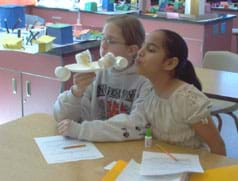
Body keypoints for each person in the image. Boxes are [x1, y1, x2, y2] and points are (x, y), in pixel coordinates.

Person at [57, 29, 226, 155]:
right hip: (163, 163)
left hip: (192, 167)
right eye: (143, 46)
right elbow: (131, 124)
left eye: (151, 50)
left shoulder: (187, 99)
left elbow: (218, 147)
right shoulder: (149, 92)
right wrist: (82, 129)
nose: (140, 52)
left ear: (169, 63)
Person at [54, 15, 151, 135]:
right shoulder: (96, 73)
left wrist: (81, 130)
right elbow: (61, 118)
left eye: (110, 41)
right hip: (93, 146)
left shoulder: (146, 81)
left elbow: (137, 126)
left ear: (131, 50)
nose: (103, 46)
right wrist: (76, 93)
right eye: (102, 38)